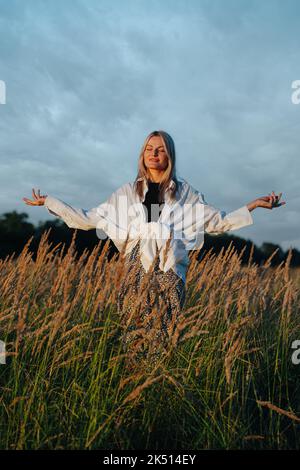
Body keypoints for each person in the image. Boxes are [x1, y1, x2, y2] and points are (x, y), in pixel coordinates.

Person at [22, 130, 286, 369]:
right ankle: (135, 381)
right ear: (142, 154)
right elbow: (90, 218)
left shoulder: (185, 193)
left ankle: (159, 382)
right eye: (149, 149)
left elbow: (216, 221)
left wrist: (251, 207)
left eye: (160, 149)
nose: (154, 153)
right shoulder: (127, 193)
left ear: (169, 154)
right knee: (134, 330)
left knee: (164, 332)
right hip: (136, 266)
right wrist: (51, 202)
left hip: (171, 267)